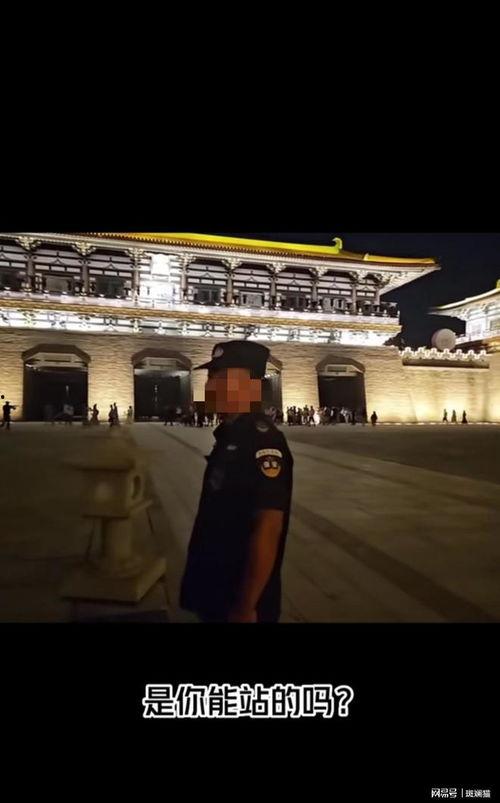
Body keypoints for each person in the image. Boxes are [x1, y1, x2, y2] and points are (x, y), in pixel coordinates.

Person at [180, 341, 294, 624]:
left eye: (220, 377)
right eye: (210, 377)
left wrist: (245, 607)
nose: (210, 385)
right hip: (215, 587)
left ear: (249, 385)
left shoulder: (262, 441)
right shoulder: (230, 434)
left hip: (238, 598)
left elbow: (268, 527)